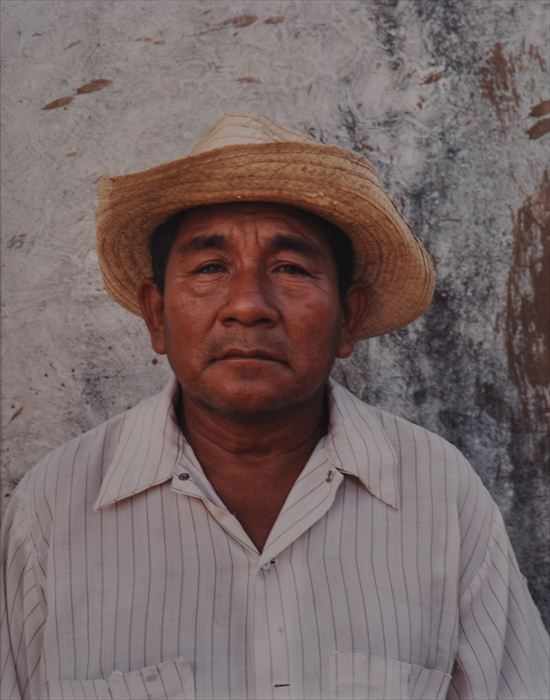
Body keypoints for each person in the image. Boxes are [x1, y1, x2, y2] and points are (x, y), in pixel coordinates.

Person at [1, 113, 548, 700]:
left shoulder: (440, 496)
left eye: (290, 268)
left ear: (350, 318)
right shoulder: (57, 509)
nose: (247, 306)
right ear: (156, 315)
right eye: (211, 267)